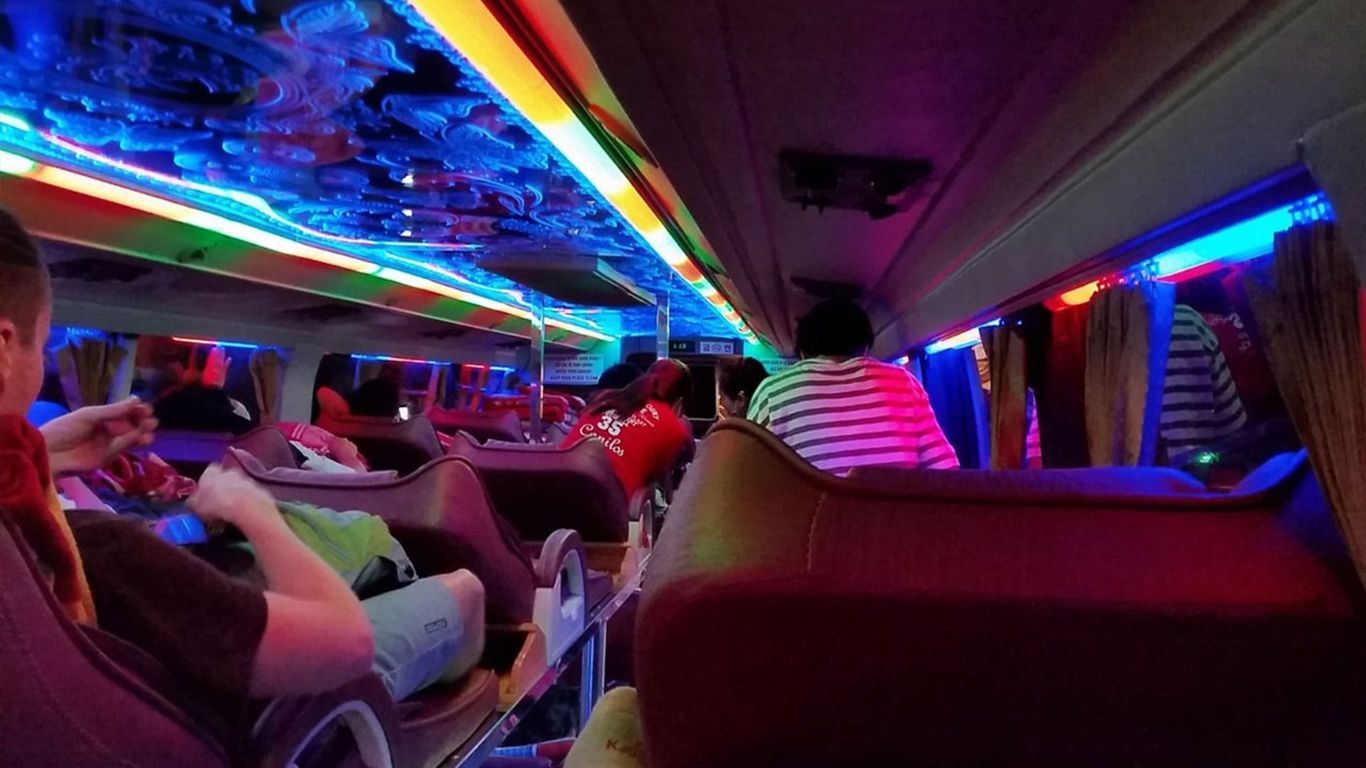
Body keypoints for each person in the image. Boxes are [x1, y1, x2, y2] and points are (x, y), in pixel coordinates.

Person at [0, 209, 480, 719]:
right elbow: (349, 642)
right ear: (5, 350)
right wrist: (251, 508)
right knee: (466, 590)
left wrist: (45, 452)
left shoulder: (29, 539)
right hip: (256, 718)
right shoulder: (105, 553)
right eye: (46, 341)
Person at [748, 298, 958, 474]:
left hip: (809, 522)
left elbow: (745, 480)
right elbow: (944, 473)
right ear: (865, 347)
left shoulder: (772, 393)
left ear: (803, 352)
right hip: (894, 522)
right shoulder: (905, 384)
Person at [561, 359, 693, 499]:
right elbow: (660, 486)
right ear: (679, 403)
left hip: (552, 484)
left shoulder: (605, 398)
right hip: (596, 504)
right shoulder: (672, 427)